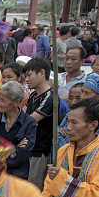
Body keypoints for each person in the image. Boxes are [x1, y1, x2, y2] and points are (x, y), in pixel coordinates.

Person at [0, 81, 36, 182]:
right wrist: (14, 149)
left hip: (18, 175)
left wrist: (0, 154)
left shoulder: (29, 122)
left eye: (3, 101)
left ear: (16, 102)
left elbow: (24, 153)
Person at [22, 58, 56, 187]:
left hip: (38, 152)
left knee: (34, 189)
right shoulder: (32, 95)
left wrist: (29, 121)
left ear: (42, 73)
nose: (27, 80)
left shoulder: (50, 97)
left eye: (29, 75)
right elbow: (21, 119)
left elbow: (29, 121)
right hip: (27, 149)